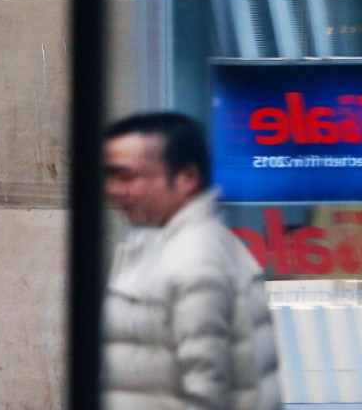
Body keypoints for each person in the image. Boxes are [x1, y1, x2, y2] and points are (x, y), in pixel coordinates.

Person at [102, 112, 280, 410]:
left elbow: (207, 393)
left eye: (127, 176)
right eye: (110, 176)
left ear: (187, 178)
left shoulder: (194, 260)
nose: (114, 189)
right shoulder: (167, 245)